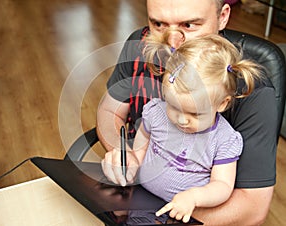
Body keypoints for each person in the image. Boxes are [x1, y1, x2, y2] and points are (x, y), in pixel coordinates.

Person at [98, 0, 278, 225]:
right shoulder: (141, 43)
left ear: (222, 16)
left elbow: (252, 209)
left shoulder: (253, 89)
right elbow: (109, 111)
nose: (172, 44)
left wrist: (164, 209)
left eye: (189, 25)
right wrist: (124, 155)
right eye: (159, 24)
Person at [131, 34, 262, 223]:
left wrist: (194, 197)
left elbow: (222, 185)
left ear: (222, 104)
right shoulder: (156, 112)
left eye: (195, 114)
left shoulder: (223, 139)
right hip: (140, 199)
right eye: (174, 107)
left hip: (186, 215)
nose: (182, 120)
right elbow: (141, 145)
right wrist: (132, 162)